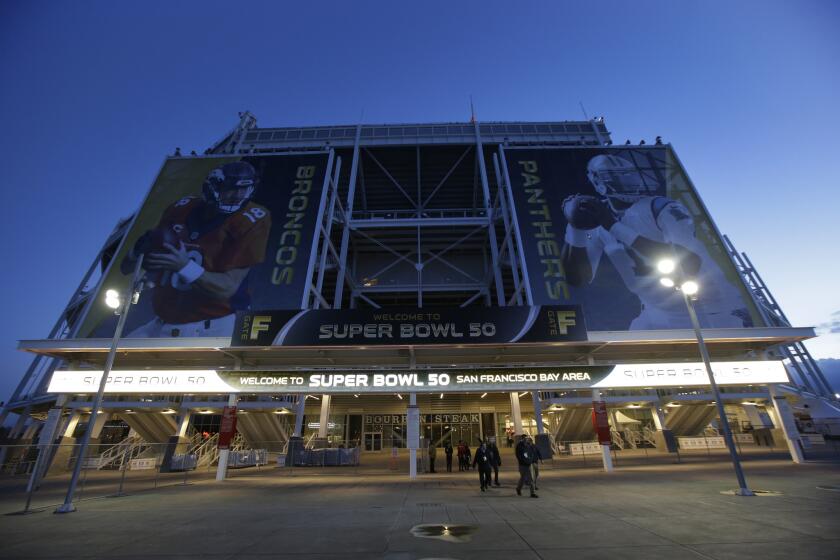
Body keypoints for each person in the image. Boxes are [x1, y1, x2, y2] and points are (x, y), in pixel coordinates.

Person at [559, 153, 752, 330]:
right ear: (599, 183)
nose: (627, 181)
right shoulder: (597, 221)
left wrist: (613, 226)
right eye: (618, 176)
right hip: (656, 313)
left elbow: (690, 261)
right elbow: (578, 279)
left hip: (711, 308)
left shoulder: (660, 207)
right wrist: (575, 228)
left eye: (629, 175)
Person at [121, 161, 271, 337]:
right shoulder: (181, 208)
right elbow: (126, 267)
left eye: (243, 190)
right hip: (161, 321)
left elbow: (228, 287)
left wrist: (184, 266)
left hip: (214, 326)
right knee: (113, 357)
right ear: (212, 187)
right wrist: (136, 251)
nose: (237, 196)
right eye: (231, 188)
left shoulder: (252, 218)